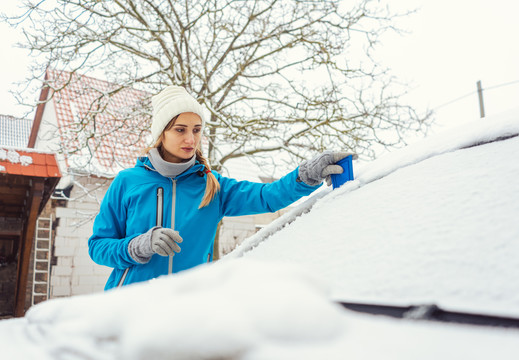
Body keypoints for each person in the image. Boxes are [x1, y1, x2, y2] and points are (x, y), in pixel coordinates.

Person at [88, 85, 350, 290]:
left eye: (197, 130)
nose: (191, 139)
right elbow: (98, 246)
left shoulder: (213, 188)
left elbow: (267, 197)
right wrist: (136, 246)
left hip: (187, 309)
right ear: (161, 134)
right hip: (129, 307)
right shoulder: (128, 182)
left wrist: (306, 175)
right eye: (180, 130)